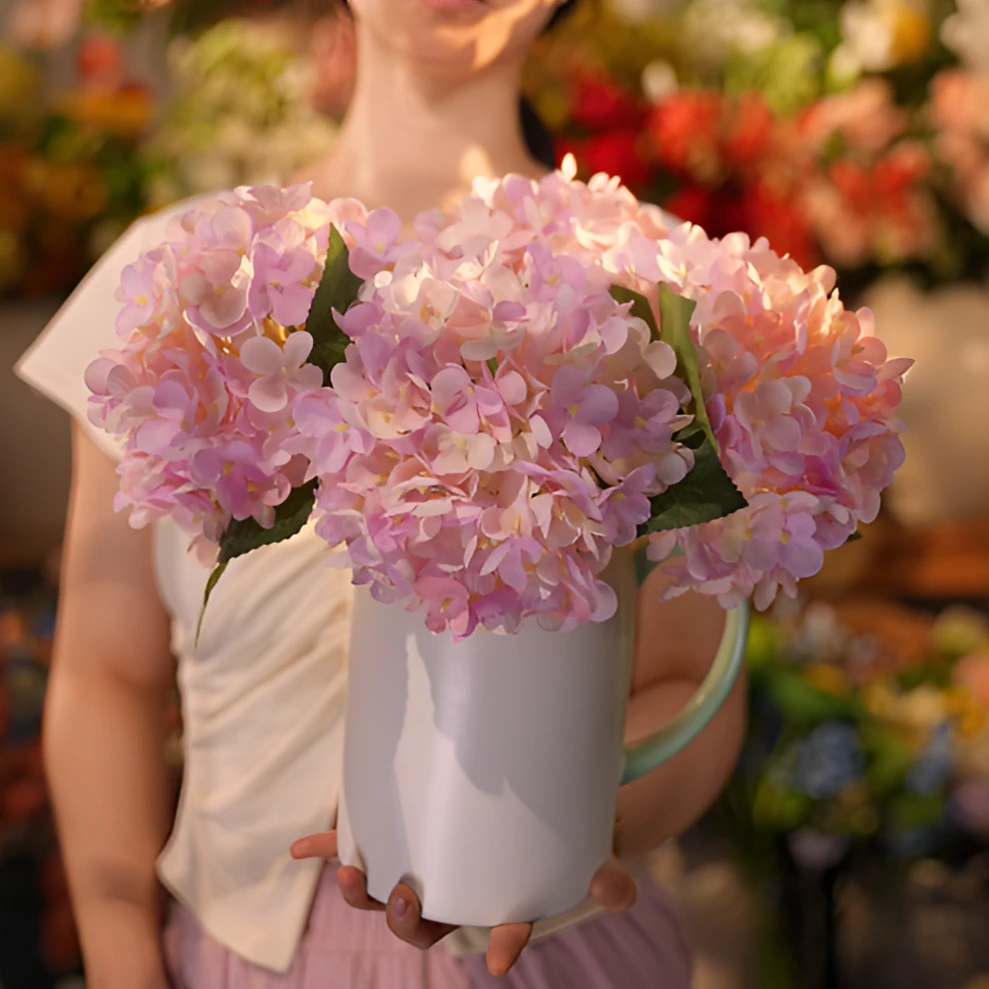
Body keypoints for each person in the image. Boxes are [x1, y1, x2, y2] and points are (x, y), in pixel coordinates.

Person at [16, 0, 748, 986]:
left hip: (551, 946)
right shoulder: (180, 276)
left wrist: (568, 827)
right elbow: (108, 667)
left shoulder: (662, 283)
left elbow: (690, 676)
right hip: (233, 954)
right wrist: (120, 960)